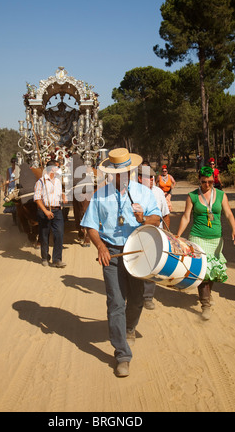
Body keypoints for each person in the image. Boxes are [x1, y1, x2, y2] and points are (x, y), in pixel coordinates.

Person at [81, 148, 161, 377]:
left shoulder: (144, 193)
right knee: (116, 302)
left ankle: (129, 328)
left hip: (138, 250)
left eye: (129, 171)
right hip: (112, 253)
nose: (125, 176)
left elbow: (156, 218)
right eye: (120, 172)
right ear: (112, 174)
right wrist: (101, 247)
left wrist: (143, 218)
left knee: (136, 300)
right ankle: (122, 355)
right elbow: (90, 225)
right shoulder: (100, 194)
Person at [176, 166, 235, 321]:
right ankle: (205, 305)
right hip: (198, 237)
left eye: (211, 181)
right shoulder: (192, 196)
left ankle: (207, 294)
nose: (207, 185)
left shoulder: (221, 195)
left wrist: (234, 230)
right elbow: (186, 217)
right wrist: (178, 235)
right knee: (203, 271)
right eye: (204, 182)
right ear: (199, 180)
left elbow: (229, 213)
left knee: (212, 270)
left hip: (216, 238)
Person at [137, 163, 170, 310]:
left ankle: (148, 297)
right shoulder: (134, 192)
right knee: (137, 265)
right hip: (138, 235)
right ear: (139, 178)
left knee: (152, 266)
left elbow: (165, 214)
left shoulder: (158, 192)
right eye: (147, 177)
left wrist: (168, 234)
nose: (151, 179)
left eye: (152, 177)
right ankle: (135, 294)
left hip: (156, 234)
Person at [34, 160, 68, 268]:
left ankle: (57, 259)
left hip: (57, 211)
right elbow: (37, 199)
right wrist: (46, 211)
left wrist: (63, 196)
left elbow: (60, 191)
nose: (59, 169)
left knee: (59, 234)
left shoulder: (58, 181)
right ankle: (44, 258)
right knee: (44, 235)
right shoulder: (41, 181)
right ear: (52, 168)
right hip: (45, 211)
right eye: (57, 167)